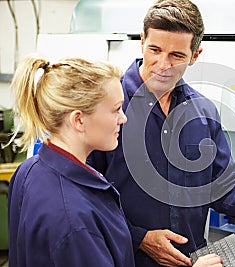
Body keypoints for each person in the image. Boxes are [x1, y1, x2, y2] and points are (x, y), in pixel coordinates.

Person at [88, 0, 235, 266]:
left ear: (195, 55)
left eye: (177, 55)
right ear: (142, 42)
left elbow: (222, 188)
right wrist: (139, 237)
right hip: (127, 258)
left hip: (193, 260)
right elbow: (85, 197)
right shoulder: (106, 106)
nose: (162, 64)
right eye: (155, 50)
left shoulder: (203, 112)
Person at [7, 55, 223, 267]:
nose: (123, 118)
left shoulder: (28, 171)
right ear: (79, 119)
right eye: (116, 109)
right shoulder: (74, 218)